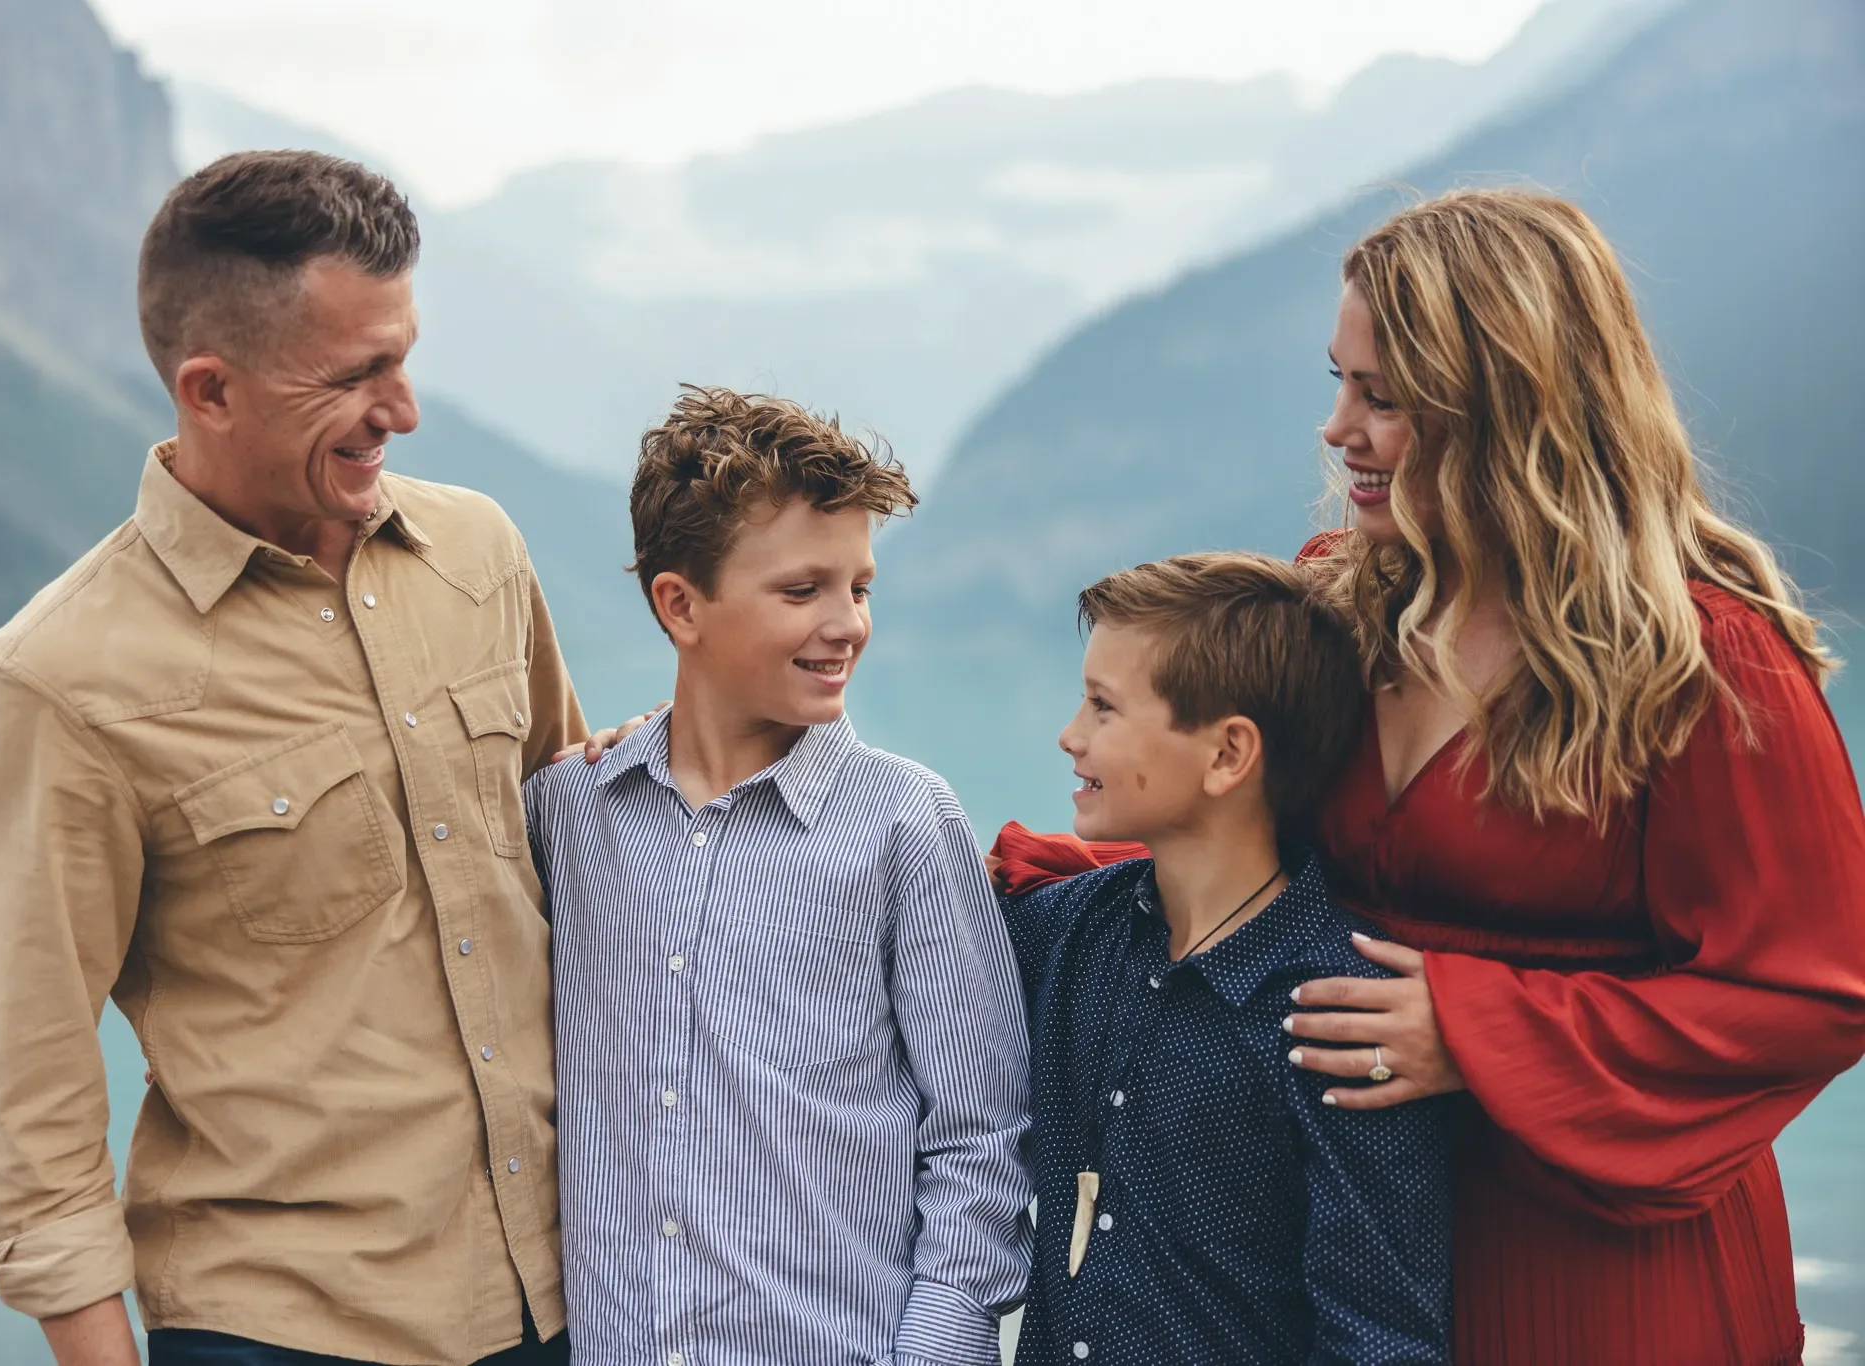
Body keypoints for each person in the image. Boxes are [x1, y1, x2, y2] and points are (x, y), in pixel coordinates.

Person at [996, 189, 1865, 1365]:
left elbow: (1813, 991)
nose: (1335, 427)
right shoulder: (1335, 605)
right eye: (1336, 381)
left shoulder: (1700, 664)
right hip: (1335, 1231)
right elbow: (1244, 851)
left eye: (1381, 397)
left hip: (1592, 1267)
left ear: (1501, 408)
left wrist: (1481, 1033)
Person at [0, 151, 588, 1366]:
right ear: (210, 388)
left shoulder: (480, 552)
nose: (402, 409)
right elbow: (26, 1102)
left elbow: (582, 847)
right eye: (355, 376)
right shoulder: (58, 682)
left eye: (401, 357)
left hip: (569, 1295)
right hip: (280, 1329)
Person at [524, 387, 1032, 1366]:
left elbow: (981, 1143)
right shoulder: (566, 817)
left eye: (861, 586)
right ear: (680, 605)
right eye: (802, 591)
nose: (846, 623)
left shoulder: (905, 823)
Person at [993, 553, 1451, 1365]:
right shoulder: (1070, 934)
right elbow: (880, 920)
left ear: (1228, 755)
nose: (1071, 735)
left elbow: (1380, 1341)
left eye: (1104, 707)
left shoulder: (1343, 1013)